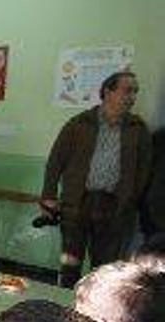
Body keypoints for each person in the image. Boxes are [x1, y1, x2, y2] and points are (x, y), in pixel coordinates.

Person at [41, 71, 152, 287]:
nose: (132, 97)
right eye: (127, 90)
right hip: (77, 203)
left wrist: (131, 199)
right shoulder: (79, 124)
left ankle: (95, 312)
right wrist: (48, 195)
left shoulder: (138, 129)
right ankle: (65, 309)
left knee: (104, 268)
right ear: (108, 92)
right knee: (70, 264)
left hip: (115, 206)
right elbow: (56, 161)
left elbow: (144, 170)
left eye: (135, 92)